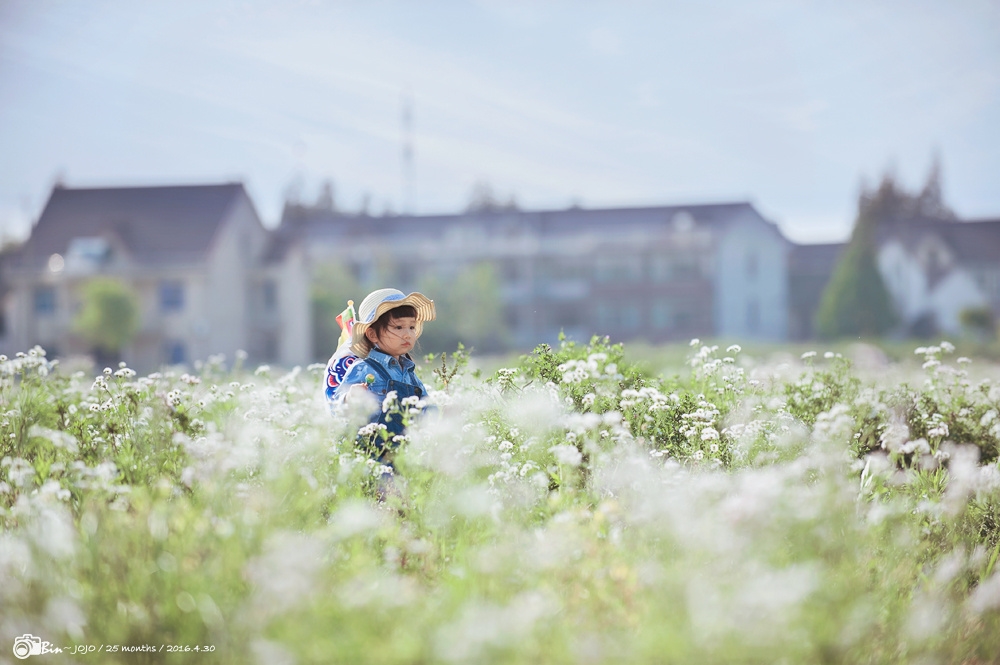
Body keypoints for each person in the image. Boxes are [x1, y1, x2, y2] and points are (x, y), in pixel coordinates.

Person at [331, 288, 435, 481]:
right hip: (371, 458)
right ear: (372, 334)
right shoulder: (364, 368)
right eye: (398, 327)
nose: (407, 334)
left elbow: (426, 407)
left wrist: (444, 417)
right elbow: (338, 402)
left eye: (411, 327)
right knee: (386, 502)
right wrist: (350, 398)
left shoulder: (410, 374)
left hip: (402, 456)